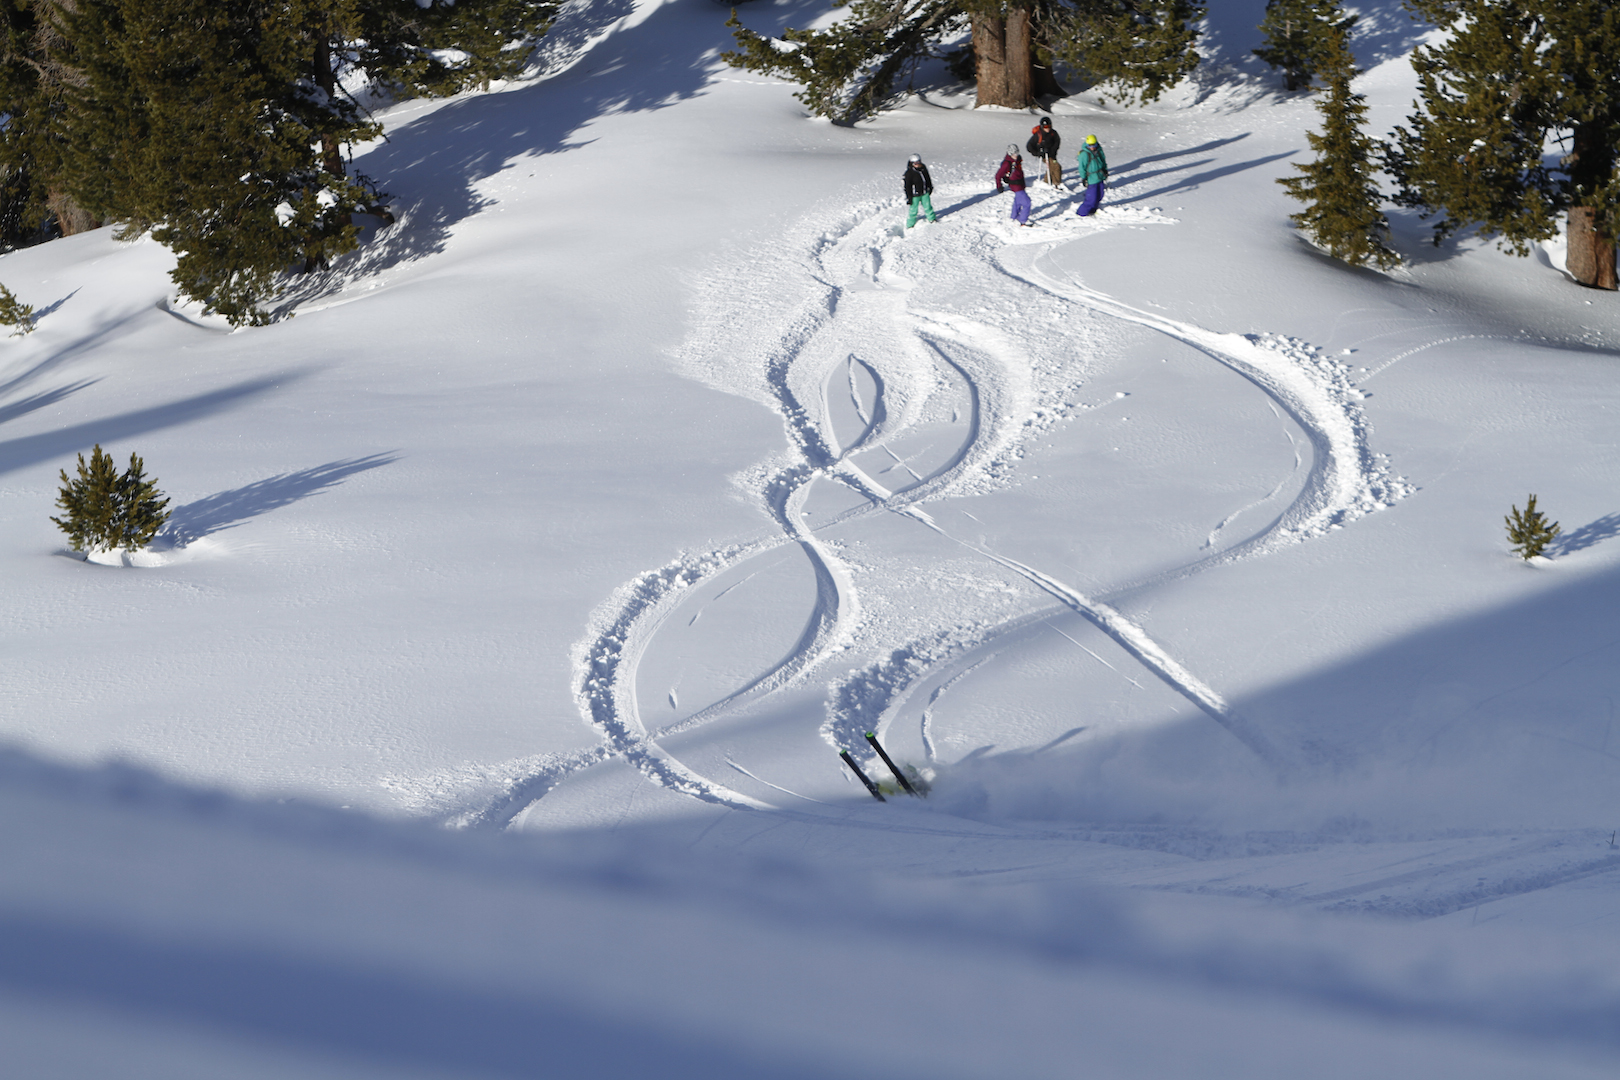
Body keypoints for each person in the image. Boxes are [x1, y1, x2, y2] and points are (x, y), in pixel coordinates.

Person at [994, 144, 1032, 227]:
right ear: (1010, 154)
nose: (1016, 155)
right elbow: (998, 175)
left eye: (1017, 153)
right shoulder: (1007, 163)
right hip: (1016, 186)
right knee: (1027, 203)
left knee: (1018, 202)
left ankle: (1014, 217)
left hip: (1020, 184)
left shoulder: (1016, 161)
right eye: (1014, 154)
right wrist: (999, 186)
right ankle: (1023, 221)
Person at [1075, 134, 1108, 217]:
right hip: (1091, 178)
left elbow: (1103, 161)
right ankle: (1081, 213)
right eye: (1090, 145)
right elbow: (1082, 168)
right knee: (1091, 198)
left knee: (1100, 195)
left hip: (1100, 176)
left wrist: (1105, 170)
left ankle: (1093, 210)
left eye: (1094, 145)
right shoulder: (1084, 154)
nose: (1092, 147)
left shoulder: (1099, 151)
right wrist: (1084, 178)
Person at [1026, 116, 1062, 187]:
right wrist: (1037, 153)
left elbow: (1057, 142)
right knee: (1056, 166)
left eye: (1048, 126)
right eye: (1045, 127)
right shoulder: (1038, 135)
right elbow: (1029, 146)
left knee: (1052, 167)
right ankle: (1056, 183)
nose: (1047, 128)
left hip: (1052, 154)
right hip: (1044, 155)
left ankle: (1048, 182)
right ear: (1042, 127)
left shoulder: (1053, 133)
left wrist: (1052, 151)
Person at [903, 154, 937, 228]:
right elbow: (907, 186)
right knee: (913, 210)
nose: (918, 164)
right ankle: (910, 224)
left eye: (919, 162)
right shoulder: (909, 173)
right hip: (915, 195)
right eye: (915, 163)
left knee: (928, 207)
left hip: (924, 192)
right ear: (911, 163)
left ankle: (932, 219)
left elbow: (927, 178)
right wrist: (909, 197)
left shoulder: (923, 169)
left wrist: (930, 187)